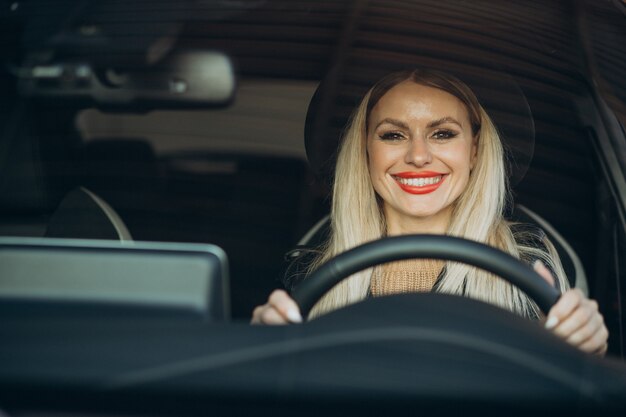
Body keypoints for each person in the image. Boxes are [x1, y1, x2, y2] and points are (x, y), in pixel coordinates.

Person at [251, 69, 609, 356]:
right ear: (365, 151)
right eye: (393, 135)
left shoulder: (529, 267)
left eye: (442, 134)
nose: (418, 156)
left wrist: (584, 345)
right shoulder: (306, 273)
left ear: (474, 151)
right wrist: (259, 349)